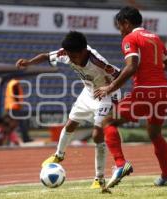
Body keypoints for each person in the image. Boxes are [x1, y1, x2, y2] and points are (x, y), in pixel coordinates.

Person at [15, 31, 126, 189]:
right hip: (88, 93)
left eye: (73, 56)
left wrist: (108, 89)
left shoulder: (98, 62)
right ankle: (58, 156)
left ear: (83, 52)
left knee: (97, 134)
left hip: (106, 95)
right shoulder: (66, 53)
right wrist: (28, 62)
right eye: (68, 55)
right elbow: (46, 56)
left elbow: (120, 75)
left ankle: (99, 178)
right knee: (70, 124)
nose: (70, 59)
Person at [94, 6, 167, 188]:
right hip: (163, 91)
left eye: (119, 26)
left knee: (108, 122)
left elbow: (131, 67)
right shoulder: (155, 38)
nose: (120, 31)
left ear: (126, 23)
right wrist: (153, 67)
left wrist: (110, 87)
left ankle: (120, 164)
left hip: (144, 91)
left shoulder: (130, 38)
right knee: (154, 133)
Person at [4, 78, 32, 142]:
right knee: (19, 123)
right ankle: (25, 138)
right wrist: (19, 103)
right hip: (14, 107)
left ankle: (6, 138)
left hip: (11, 106)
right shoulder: (14, 84)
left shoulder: (11, 83)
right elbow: (15, 95)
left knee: (13, 124)